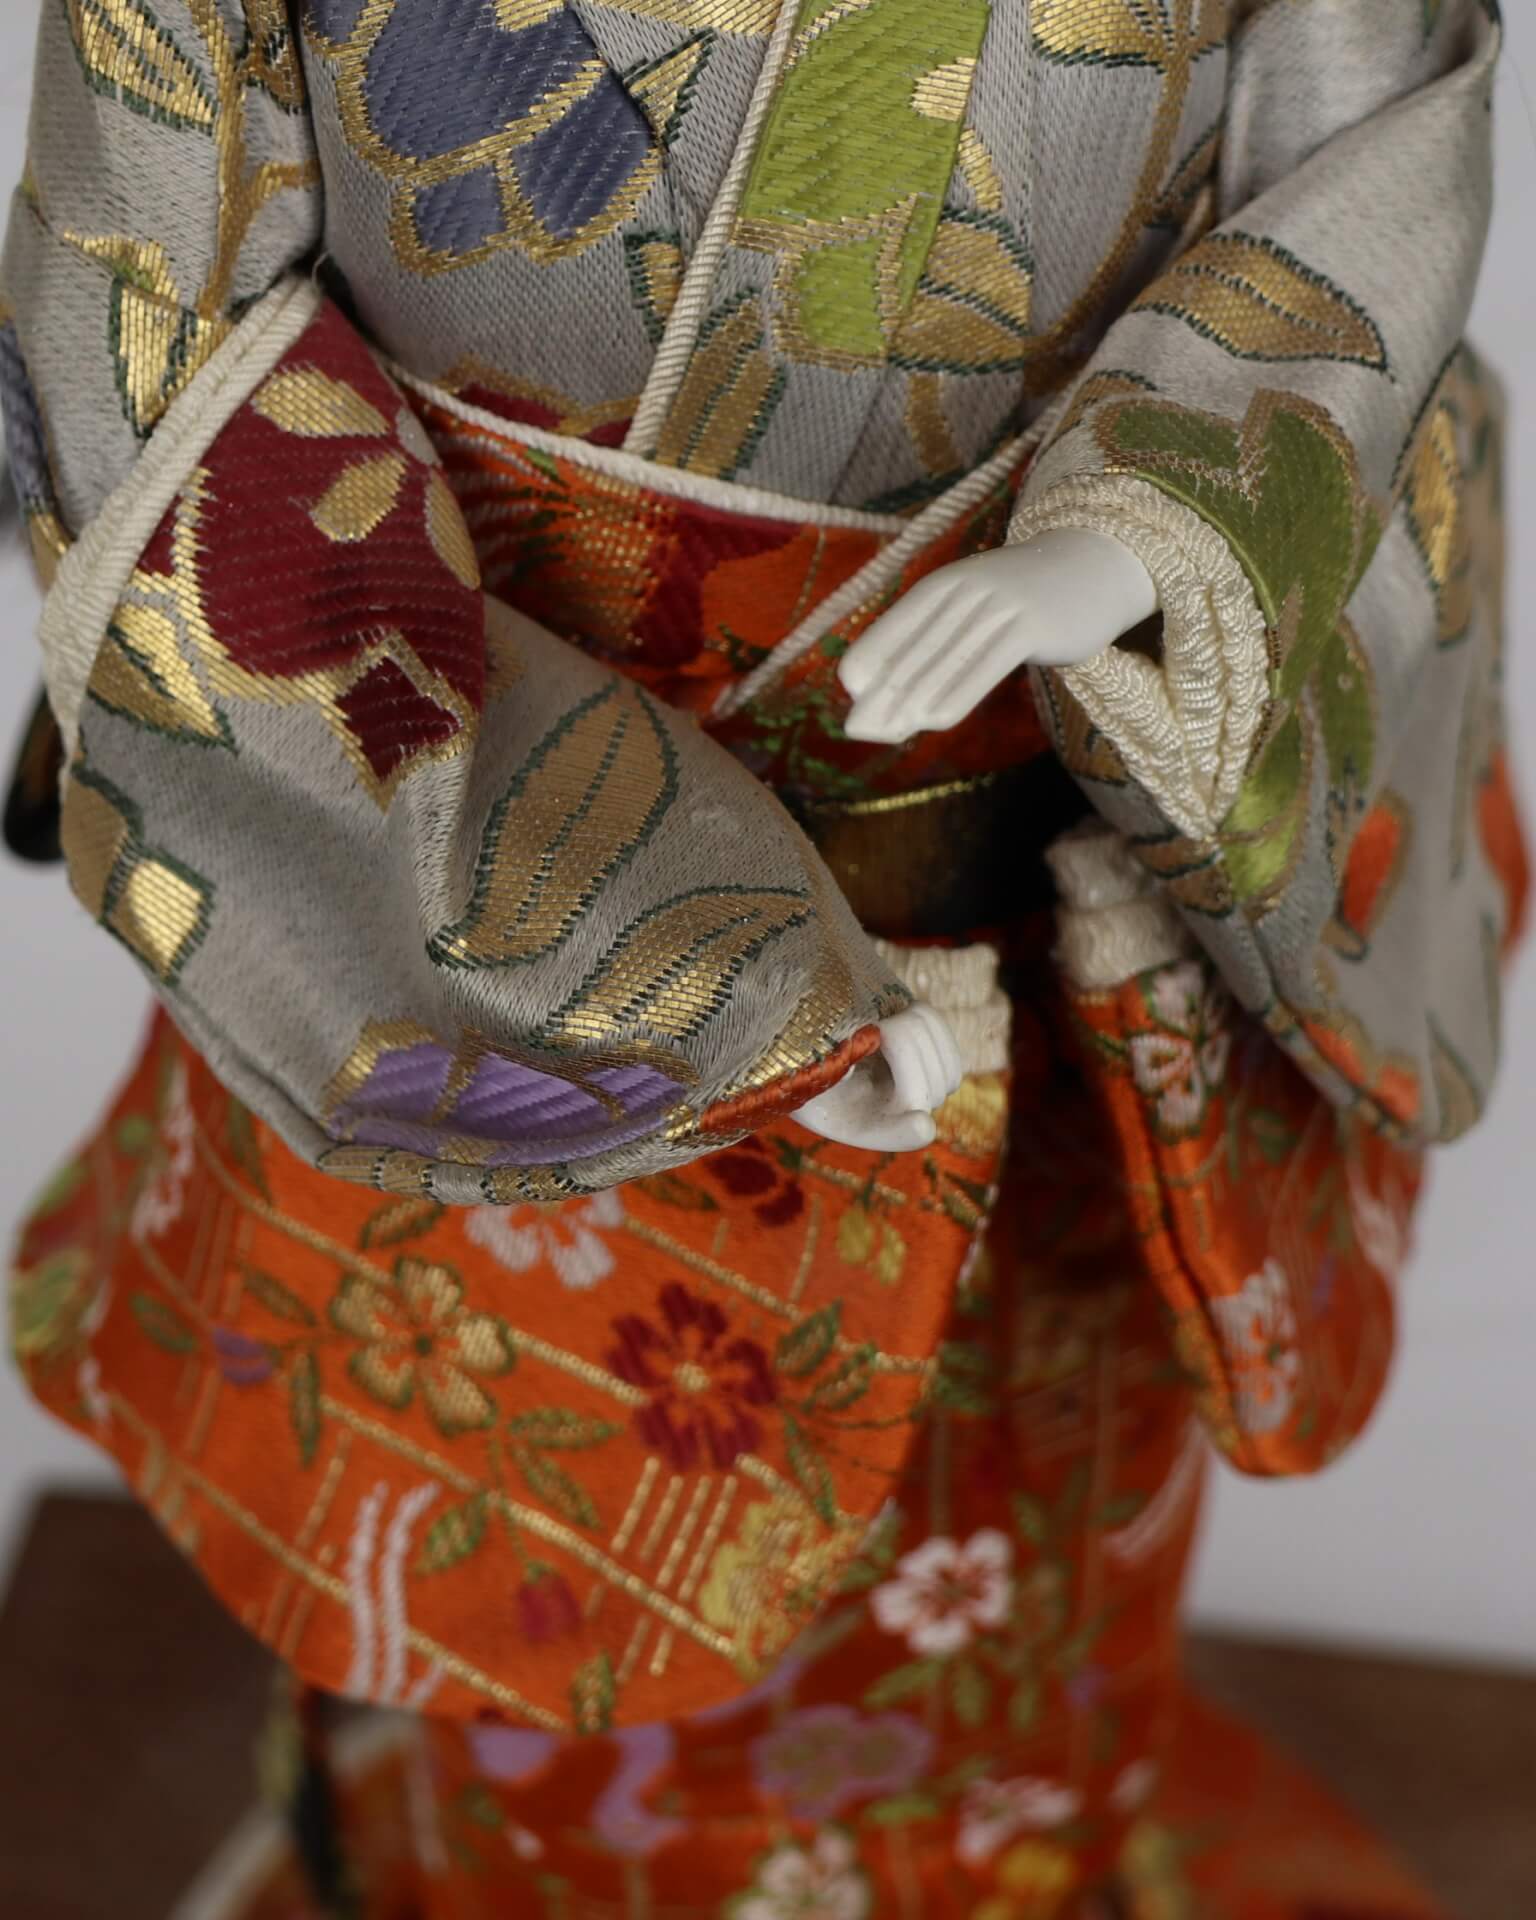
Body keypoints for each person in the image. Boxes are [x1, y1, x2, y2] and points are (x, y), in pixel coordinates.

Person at [2, 2, 1524, 1915]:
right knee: (507, 1633)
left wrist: (1155, 540)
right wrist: (674, 967)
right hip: (459, 853)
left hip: (1014, 891)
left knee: (1014, 1609)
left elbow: (1366, 142)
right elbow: (144, 310)